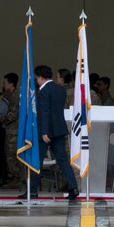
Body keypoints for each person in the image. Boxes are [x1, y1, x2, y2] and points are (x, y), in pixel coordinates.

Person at [31, 64, 79, 201]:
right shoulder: (60, 89)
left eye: (36, 77)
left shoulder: (44, 90)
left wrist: (45, 131)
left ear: (40, 77)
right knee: (63, 160)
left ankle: (33, 190)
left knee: (37, 160)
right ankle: (73, 187)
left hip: (46, 131)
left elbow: (45, 112)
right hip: (59, 129)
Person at [0, 72, 19, 187]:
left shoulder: (15, 96)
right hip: (11, 130)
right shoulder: (14, 95)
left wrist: (1, 119)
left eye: (5, 83)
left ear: (11, 84)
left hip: (13, 131)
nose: (3, 85)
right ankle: (15, 178)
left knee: (11, 156)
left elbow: (14, 114)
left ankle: (17, 178)